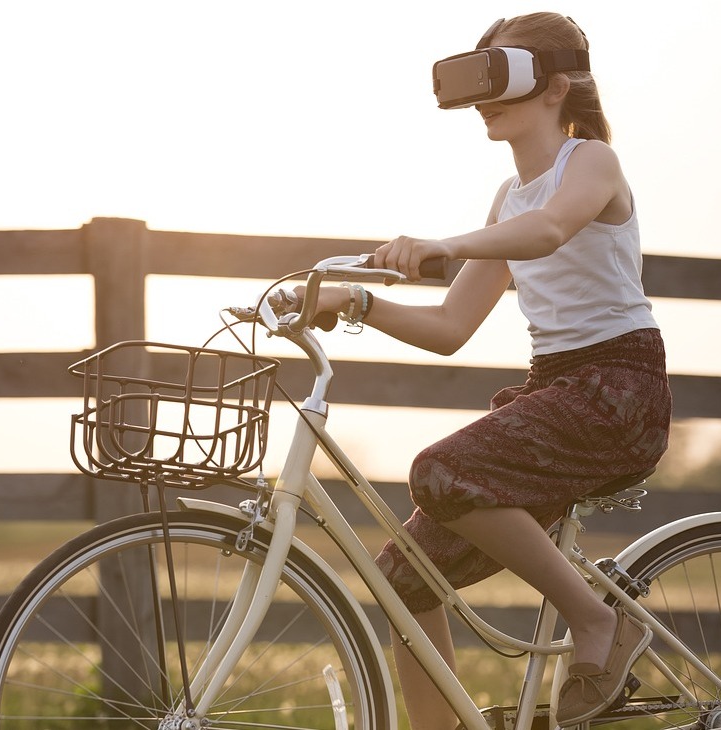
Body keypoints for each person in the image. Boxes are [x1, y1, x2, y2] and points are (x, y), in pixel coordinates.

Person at [302, 12, 672, 729]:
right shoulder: (508, 200)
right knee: (403, 579)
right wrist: (356, 300)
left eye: (502, 79)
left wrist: (442, 243)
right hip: (557, 390)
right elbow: (449, 327)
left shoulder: (589, 161)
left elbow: (552, 231)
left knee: (438, 471)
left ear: (556, 87)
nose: (485, 100)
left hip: (618, 392)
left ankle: (598, 623)